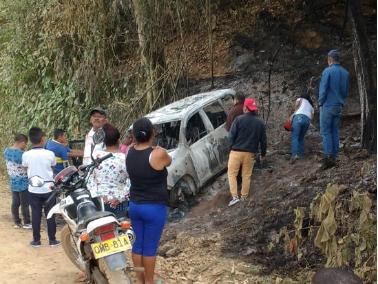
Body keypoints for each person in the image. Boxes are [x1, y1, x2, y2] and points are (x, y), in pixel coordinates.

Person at [126, 117, 172, 284]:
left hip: (135, 205)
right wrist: (157, 148)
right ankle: (150, 281)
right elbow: (169, 161)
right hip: (154, 208)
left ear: (135, 136)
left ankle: (140, 280)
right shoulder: (158, 153)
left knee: (138, 245)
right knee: (150, 248)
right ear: (153, 133)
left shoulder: (129, 151)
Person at [22, 127, 60, 247]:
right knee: (50, 213)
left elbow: (25, 167)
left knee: (36, 213)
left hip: (33, 188)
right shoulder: (50, 154)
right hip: (48, 188)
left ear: (31, 140)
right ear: (42, 138)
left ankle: (36, 240)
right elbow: (53, 168)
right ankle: (52, 240)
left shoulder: (26, 155)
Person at [227, 98, 267, 206]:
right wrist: (263, 154)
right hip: (250, 154)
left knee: (232, 174)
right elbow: (263, 141)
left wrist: (230, 148)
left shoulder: (239, 120)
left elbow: (231, 135)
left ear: (245, 108)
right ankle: (244, 197)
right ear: (254, 109)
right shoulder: (260, 123)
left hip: (236, 152)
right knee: (246, 176)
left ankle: (235, 197)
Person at [86, 123, 129, 219]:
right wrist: (120, 198)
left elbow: (89, 180)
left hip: (100, 203)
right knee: (120, 231)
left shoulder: (95, 157)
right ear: (118, 140)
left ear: (103, 141)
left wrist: (99, 196)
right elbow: (131, 181)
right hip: (119, 203)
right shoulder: (125, 158)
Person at [318, 49, 349, 170]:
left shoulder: (328, 71)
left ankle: (328, 156)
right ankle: (334, 155)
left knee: (325, 130)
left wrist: (320, 102)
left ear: (330, 60)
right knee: (334, 130)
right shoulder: (345, 73)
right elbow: (346, 91)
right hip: (339, 105)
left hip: (328, 104)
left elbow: (323, 89)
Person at [3, 134, 32, 229]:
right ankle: (27, 222)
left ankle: (16, 222)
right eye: (25, 144)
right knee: (24, 204)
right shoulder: (22, 154)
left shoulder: (6, 151)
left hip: (13, 181)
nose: (25, 146)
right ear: (23, 142)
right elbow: (26, 167)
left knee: (15, 203)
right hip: (23, 182)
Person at [289, 93, 315, 164]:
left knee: (295, 137)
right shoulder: (311, 106)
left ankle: (294, 155)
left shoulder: (300, 99)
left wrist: (296, 110)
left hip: (298, 117)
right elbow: (312, 117)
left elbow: (296, 106)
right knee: (301, 138)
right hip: (307, 120)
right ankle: (300, 155)